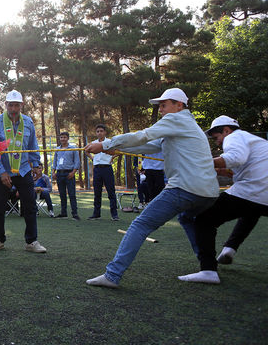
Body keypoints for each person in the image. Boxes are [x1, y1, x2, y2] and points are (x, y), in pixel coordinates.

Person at [85, 88, 219, 288]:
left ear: (179, 105)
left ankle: (112, 276)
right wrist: (118, 149)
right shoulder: (186, 124)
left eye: (164, 105)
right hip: (209, 193)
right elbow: (150, 145)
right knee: (188, 218)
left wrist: (106, 144)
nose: (161, 110)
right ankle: (209, 269)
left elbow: (143, 136)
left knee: (140, 225)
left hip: (184, 188)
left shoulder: (177, 120)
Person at [178, 115, 268, 284]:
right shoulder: (254, 141)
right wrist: (224, 170)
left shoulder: (234, 136)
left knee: (204, 219)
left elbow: (235, 158)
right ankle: (229, 249)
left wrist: (203, 163)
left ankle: (208, 270)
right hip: (262, 196)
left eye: (217, 137)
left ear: (226, 130)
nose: (217, 143)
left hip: (252, 191)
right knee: (251, 211)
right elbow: (250, 167)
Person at [0, 90, 47, 254]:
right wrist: (1, 172)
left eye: (17, 105)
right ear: (5, 105)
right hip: (2, 171)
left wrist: (36, 164)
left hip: (23, 170)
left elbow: (33, 145)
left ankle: (31, 241)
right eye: (11, 105)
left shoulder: (28, 122)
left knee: (30, 206)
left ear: (22, 105)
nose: (14, 109)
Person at [85, 124, 119, 221]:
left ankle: (114, 215)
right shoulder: (93, 143)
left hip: (107, 168)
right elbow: (86, 151)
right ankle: (96, 214)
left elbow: (118, 151)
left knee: (111, 192)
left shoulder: (110, 142)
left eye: (101, 131)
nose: (99, 133)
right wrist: (92, 158)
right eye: (98, 131)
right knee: (97, 192)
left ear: (105, 132)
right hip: (97, 169)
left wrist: (112, 157)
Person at [52, 131, 80, 220]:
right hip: (60, 173)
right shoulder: (57, 149)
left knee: (72, 194)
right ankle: (63, 213)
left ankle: (74, 213)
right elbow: (55, 162)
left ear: (68, 138)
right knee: (62, 194)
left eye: (64, 137)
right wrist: (53, 172)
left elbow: (77, 161)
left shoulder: (73, 148)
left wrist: (73, 172)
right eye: (61, 137)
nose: (63, 139)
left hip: (69, 173)